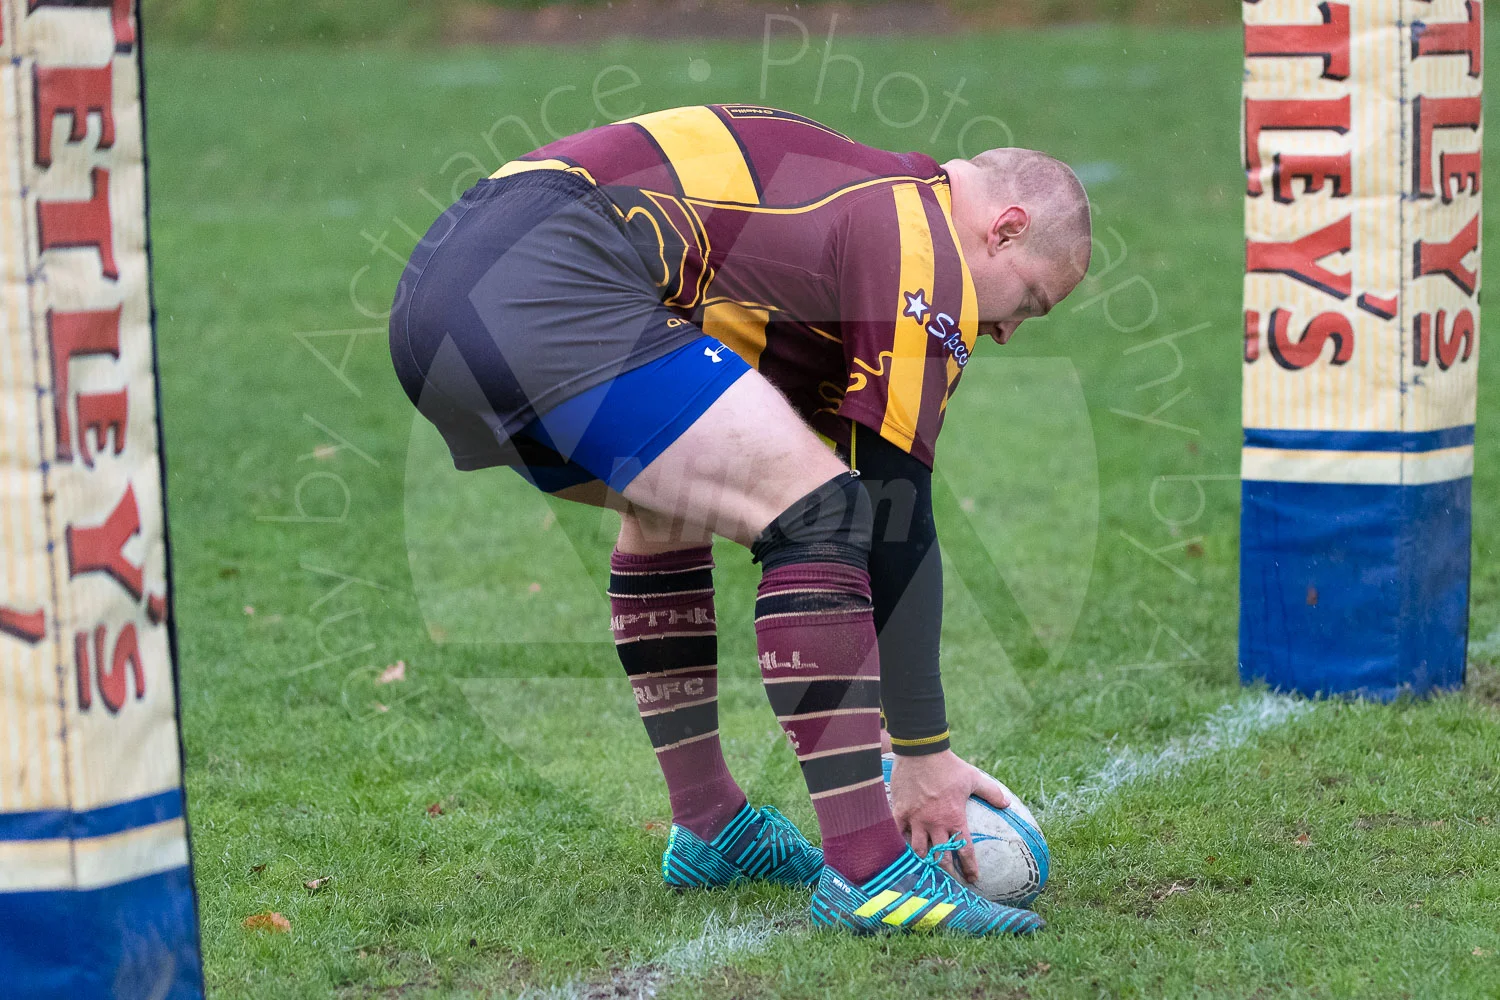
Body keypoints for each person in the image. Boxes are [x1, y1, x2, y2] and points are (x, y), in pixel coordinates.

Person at [389, 104, 1090, 936]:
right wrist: (923, 753)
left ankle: (712, 824)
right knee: (825, 512)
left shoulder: (863, 213)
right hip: (540, 276)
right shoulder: (919, 231)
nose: (1007, 332)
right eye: (1031, 303)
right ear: (1005, 230)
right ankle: (870, 870)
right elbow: (894, 506)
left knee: (671, 508)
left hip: (442, 292)